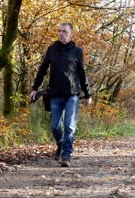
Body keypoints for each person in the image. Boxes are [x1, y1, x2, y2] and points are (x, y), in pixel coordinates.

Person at [30, 22, 91, 167]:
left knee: (69, 126)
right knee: (55, 126)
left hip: (72, 95)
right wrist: (35, 88)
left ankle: (66, 155)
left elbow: (82, 74)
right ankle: (61, 144)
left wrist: (88, 94)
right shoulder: (52, 49)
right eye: (59, 31)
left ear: (71, 34)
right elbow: (42, 69)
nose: (61, 34)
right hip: (55, 94)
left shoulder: (77, 51)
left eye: (64, 31)